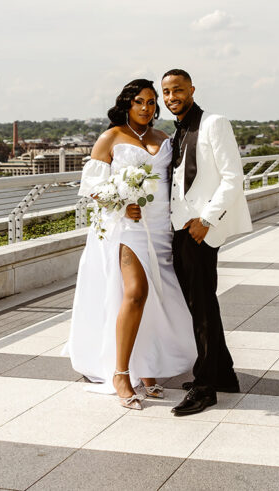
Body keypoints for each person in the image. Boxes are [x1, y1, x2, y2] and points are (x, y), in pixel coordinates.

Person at [64, 79, 196, 410]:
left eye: (152, 102)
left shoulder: (164, 139)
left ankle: (147, 370)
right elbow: (91, 186)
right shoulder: (111, 137)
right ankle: (121, 373)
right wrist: (121, 202)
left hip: (160, 229)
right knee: (135, 292)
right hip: (128, 227)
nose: (146, 107)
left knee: (154, 299)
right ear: (127, 103)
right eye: (140, 101)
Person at [162, 69, 252, 416]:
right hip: (181, 228)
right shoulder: (178, 132)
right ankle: (223, 374)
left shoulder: (214, 123)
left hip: (199, 229)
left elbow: (233, 178)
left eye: (178, 90)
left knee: (201, 308)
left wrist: (206, 220)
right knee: (202, 305)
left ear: (192, 90)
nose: (172, 97)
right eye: (167, 93)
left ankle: (204, 387)